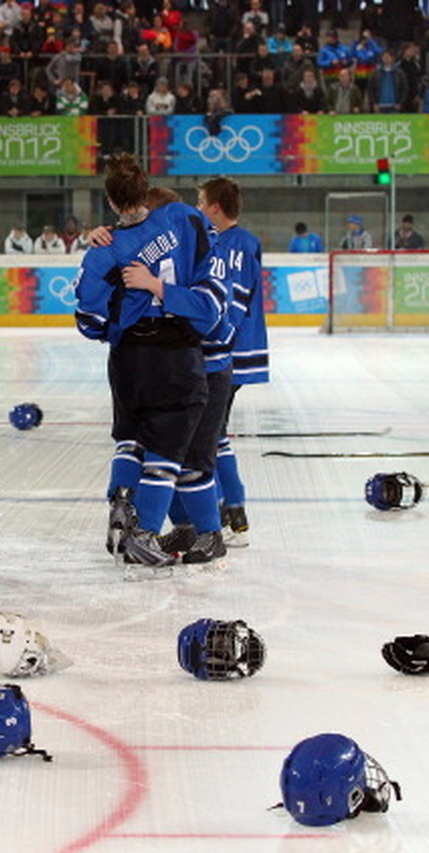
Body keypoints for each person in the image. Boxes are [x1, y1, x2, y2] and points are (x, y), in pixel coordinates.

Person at [74, 154, 225, 570]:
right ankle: (145, 532)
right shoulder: (182, 218)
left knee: (133, 436)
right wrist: (162, 291)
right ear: (145, 190)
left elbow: (88, 319)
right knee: (169, 447)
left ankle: (123, 507)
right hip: (175, 353)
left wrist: (118, 328)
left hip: (127, 359)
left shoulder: (104, 251)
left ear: (109, 199)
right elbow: (212, 297)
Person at [159, 177, 266, 563]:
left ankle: (227, 516)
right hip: (230, 354)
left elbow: (231, 304)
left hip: (224, 357)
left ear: (215, 208)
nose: (197, 209)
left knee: (210, 439)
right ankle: (229, 515)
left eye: (201, 203)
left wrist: (216, 341)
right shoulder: (239, 242)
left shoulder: (230, 245)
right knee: (214, 437)